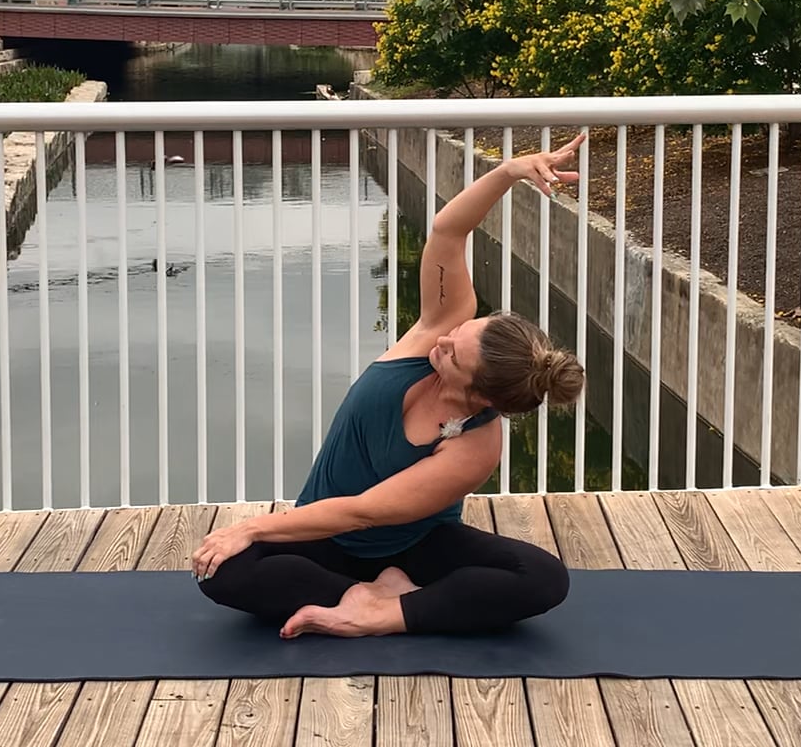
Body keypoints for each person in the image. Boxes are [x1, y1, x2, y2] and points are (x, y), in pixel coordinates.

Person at [193, 132, 589, 639]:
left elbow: (363, 513)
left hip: (414, 547)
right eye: (458, 331)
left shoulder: (475, 446)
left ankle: (386, 612)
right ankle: (368, 595)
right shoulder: (434, 330)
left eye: (452, 353)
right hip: (327, 536)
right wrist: (510, 172)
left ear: (481, 394)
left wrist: (248, 526)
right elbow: (449, 230)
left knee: (542, 579)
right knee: (219, 571)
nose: (441, 340)